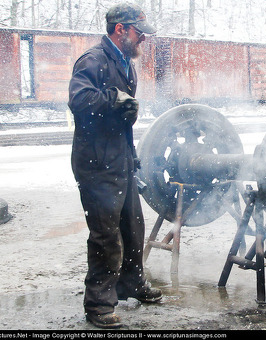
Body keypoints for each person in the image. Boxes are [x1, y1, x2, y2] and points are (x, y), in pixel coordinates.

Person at [68, 3, 162, 329]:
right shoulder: (93, 60)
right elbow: (79, 101)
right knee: (106, 237)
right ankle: (98, 306)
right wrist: (114, 99)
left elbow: (119, 119)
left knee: (132, 227)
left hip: (119, 159)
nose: (144, 40)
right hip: (96, 165)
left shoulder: (125, 63)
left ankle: (131, 284)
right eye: (139, 33)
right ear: (120, 29)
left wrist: (131, 151)